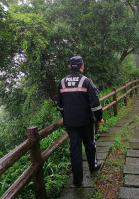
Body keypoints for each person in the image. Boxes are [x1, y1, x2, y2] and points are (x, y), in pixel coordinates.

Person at [57, 56, 104, 187]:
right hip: (86, 121)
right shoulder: (86, 81)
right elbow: (96, 105)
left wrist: (66, 116)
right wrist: (99, 118)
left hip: (70, 123)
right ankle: (93, 166)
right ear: (82, 66)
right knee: (90, 143)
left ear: (69, 67)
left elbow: (60, 106)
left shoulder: (62, 82)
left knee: (75, 149)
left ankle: (77, 180)